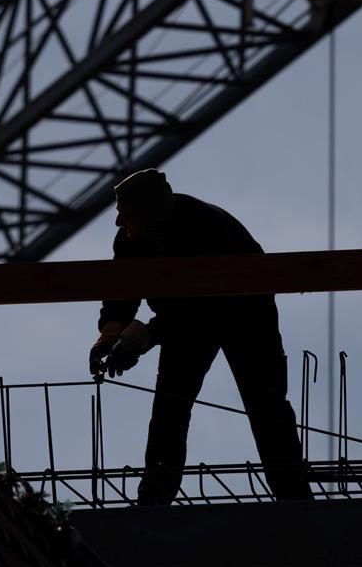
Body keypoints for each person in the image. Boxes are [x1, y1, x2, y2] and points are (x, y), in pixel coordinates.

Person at [89, 169, 313, 506]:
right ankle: (155, 497)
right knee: (169, 407)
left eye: (127, 214)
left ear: (152, 213)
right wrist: (110, 335)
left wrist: (145, 335)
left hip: (246, 312)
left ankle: (293, 496)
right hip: (182, 316)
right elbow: (123, 293)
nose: (119, 222)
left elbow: (203, 307)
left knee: (265, 404)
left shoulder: (204, 228)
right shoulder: (131, 239)